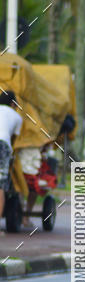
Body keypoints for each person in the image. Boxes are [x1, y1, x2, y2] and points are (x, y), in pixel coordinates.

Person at [0, 90, 23, 234]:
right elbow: (15, 141)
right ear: (13, 103)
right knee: (1, 186)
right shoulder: (16, 116)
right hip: (2, 145)